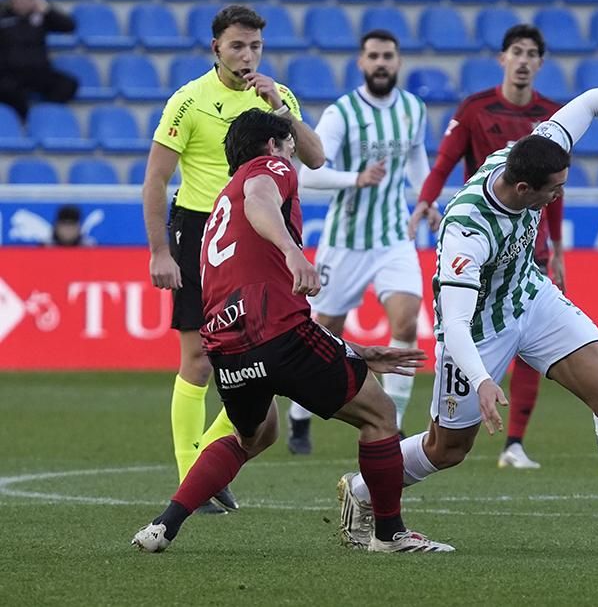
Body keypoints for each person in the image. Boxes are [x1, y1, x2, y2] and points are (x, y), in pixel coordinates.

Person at [337, 82, 598, 553]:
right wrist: (482, 380)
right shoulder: (468, 232)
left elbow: (590, 102)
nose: (559, 196)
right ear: (523, 188)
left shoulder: (533, 151)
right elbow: (453, 324)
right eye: (554, 190)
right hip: (475, 332)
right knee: (446, 449)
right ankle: (364, 489)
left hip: (528, 296)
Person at [131, 109, 451, 553]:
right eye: (289, 146)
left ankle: (164, 524)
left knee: (255, 435)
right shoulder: (268, 168)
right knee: (379, 416)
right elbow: (263, 199)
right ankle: (389, 534)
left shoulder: (221, 202)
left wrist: (354, 350)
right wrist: (292, 252)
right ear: (271, 145)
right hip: (275, 329)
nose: (293, 156)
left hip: (227, 343)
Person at [141, 5, 325, 514]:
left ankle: (208, 463)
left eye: (255, 47)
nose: (248, 56)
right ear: (216, 48)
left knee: (259, 360)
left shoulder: (277, 97)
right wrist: (160, 250)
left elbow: (316, 157)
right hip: (203, 231)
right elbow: (156, 178)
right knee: (198, 358)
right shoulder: (189, 101)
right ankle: (191, 476)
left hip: (263, 233)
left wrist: (282, 110)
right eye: (238, 46)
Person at [408, 24, 563, 470]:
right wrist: (424, 201)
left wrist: (558, 250)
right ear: (502, 58)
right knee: (468, 329)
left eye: (532, 53)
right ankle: (448, 417)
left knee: (533, 335)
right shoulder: (476, 109)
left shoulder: (550, 117)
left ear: (539, 62)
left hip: (532, 246)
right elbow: (444, 162)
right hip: (484, 244)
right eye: (516, 51)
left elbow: (556, 192)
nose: (524, 60)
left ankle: (515, 443)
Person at [286, 29, 433, 455]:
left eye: (388, 55)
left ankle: (397, 428)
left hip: (393, 237)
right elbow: (308, 174)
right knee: (323, 331)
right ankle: (299, 417)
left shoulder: (412, 108)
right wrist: (357, 178)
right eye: (374, 56)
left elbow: (417, 156)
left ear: (398, 61)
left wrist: (426, 200)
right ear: (361, 63)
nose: (382, 62)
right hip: (345, 241)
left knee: (405, 322)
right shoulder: (342, 113)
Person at [0, 0, 77, 120]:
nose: (22, 2)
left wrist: (48, 11)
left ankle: (42, 115)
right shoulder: (3, 14)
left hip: (39, 73)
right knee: (8, 91)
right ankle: (23, 121)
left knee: (68, 84)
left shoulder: (43, 15)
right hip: (10, 75)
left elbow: (69, 26)